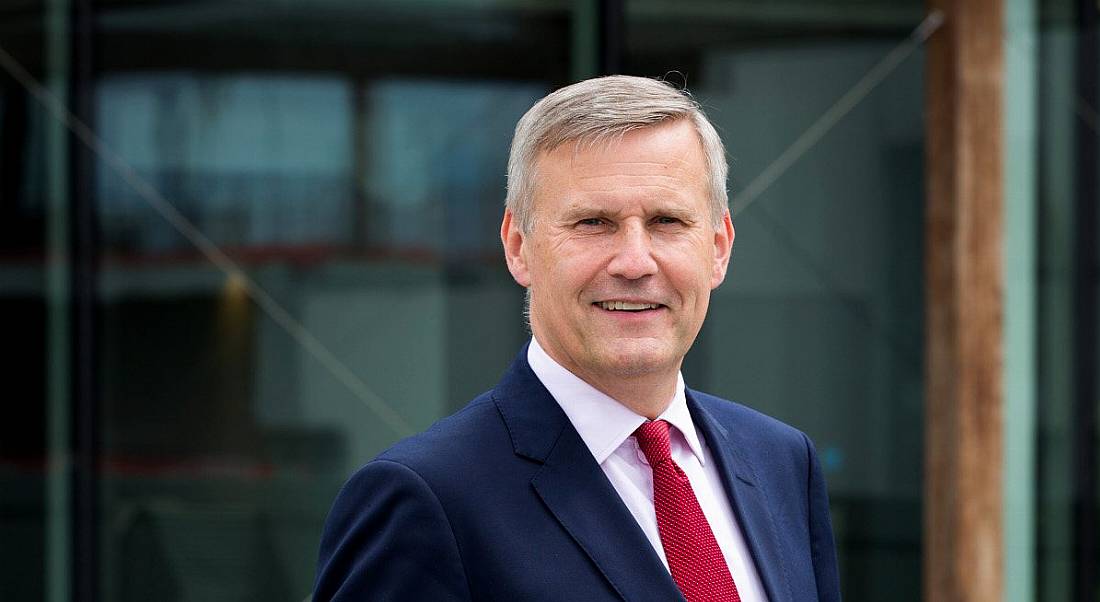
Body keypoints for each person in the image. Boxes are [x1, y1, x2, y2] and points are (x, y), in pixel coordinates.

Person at [314, 75, 841, 602]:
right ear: (518, 246)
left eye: (666, 221)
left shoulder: (782, 463)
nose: (635, 262)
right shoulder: (424, 499)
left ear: (719, 247)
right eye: (593, 222)